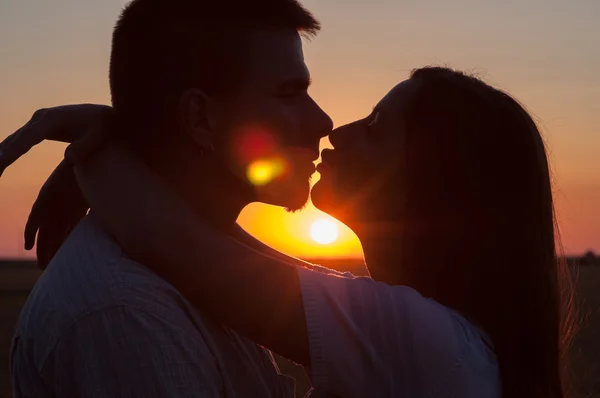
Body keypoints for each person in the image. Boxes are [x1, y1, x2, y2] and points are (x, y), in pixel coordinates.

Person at [70, 68, 575, 398]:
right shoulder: (446, 340)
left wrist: (98, 154)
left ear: (434, 178)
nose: (338, 130)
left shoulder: (427, 341)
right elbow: (228, 251)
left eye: (376, 126)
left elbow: (174, 243)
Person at [4, 0, 335, 396]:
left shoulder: (208, 279)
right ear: (199, 119)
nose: (323, 122)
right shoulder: (129, 315)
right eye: (289, 93)